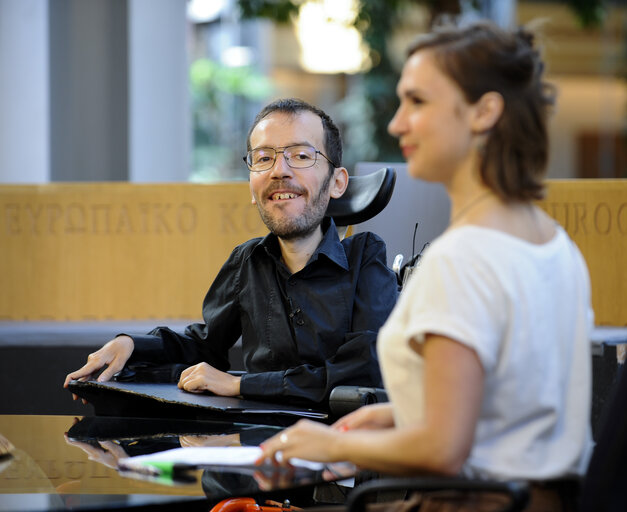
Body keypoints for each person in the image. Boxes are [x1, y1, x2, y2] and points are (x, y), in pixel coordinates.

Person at [258, 21, 593, 511]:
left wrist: (333, 444)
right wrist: (398, 416)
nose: (397, 123)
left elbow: (442, 448)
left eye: (418, 102)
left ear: (484, 111)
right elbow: (514, 409)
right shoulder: (552, 242)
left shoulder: (463, 258)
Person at [64, 98, 398, 406]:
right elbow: (205, 347)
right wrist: (131, 346)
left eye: (300, 155)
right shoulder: (246, 262)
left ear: (338, 182)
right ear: (253, 187)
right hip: (253, 448)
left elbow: (363, 370)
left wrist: (241, 386)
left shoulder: (365, 258)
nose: (279, 171)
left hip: (337, 458)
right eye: (264, 158)